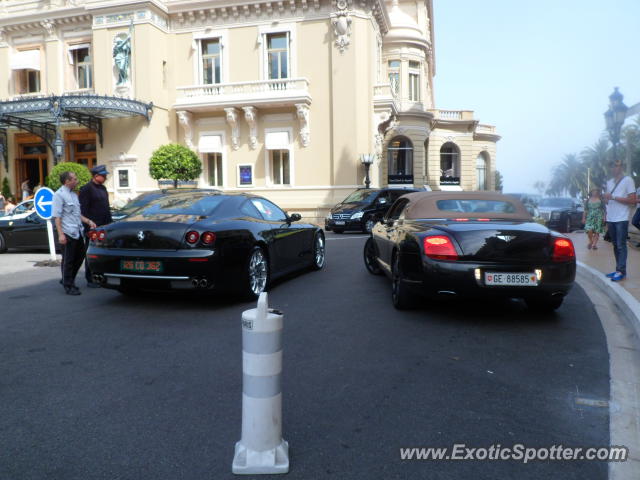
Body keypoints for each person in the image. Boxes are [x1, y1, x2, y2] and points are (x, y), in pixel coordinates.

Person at [53, 171, 96, 295]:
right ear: (67, 181)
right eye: (75, 179)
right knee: (69, 260)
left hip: (77, 232)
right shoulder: (59, 195)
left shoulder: (74, 195)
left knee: (80, 257)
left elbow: (77, 214)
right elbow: (57, 217)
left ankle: (68, 279)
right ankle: (69, 285)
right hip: (67, 233)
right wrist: (61, 234)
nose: (77, 181)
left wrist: (88, 221)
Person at [603, 160, 636, 282]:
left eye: (617, 165)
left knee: (621, 245)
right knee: (615, 245)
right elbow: (608, 201)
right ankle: (618, 269)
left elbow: (632, 200)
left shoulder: (628, 180)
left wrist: (613, 197)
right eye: (612, 165)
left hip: (621, 218)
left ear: (621, 167)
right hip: (611, 218)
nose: (614, 168)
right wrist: (606, 200)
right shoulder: (609, 182)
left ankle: (621, 271)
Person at [79, 165, 112, 288]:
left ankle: (103, 276)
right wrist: (88, 225)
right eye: (103, 175)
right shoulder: (86, 189)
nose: (105, 177)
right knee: (92, 253)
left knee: (104, 252)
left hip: (105, 226)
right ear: (95, 176)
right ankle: (90, 278)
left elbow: (106, 208)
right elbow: (83, 210)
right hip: (92, 227)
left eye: (105, 175)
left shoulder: (103, 188)